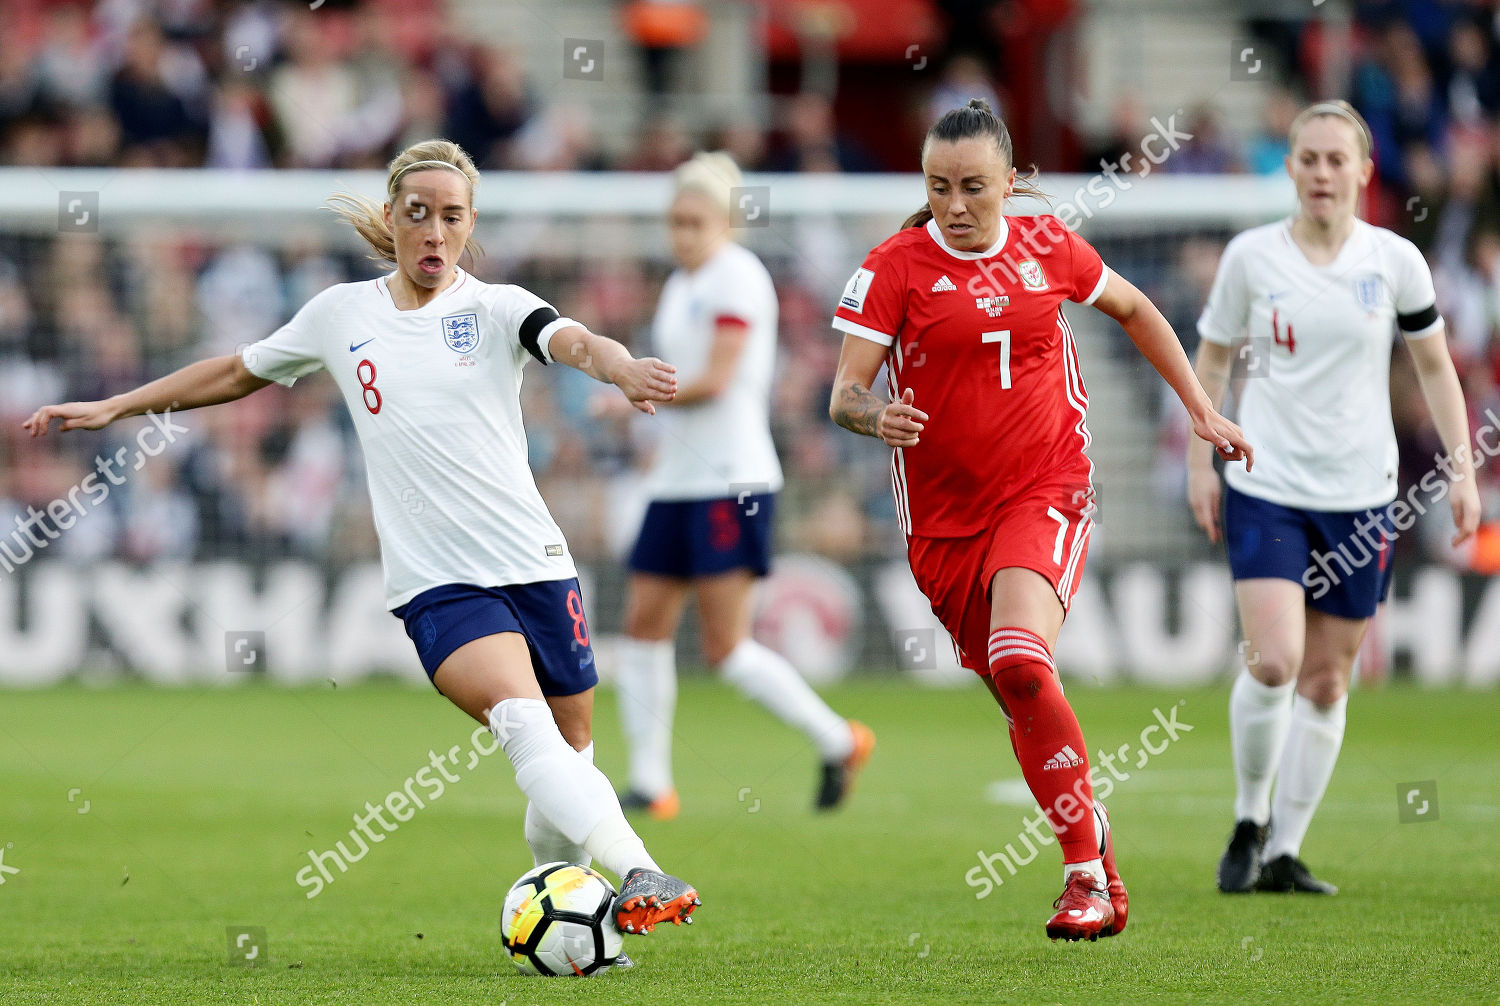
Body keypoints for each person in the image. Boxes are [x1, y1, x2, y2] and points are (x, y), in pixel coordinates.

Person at [23, 139, 700, 939]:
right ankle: (638, 871)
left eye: (451, 216)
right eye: (419, 214)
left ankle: (571, 923)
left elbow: (577, 341)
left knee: (571, 751)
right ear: (392, 218)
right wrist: (117, 407)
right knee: (523, 723)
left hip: (537, 564)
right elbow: (237, 371)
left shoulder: (498, 307)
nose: (434, 232)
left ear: (470, 223)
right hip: (437, 583)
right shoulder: (342, 315)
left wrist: (618, 369)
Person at [828, 99, 1253, 941]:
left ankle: (1081, 880)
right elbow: (842, 393)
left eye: (974, 187)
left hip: (1045, 486)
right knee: (1019, 698)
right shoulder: (892, 267)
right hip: (942, 527)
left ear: (1012, 182)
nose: (955, 205)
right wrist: (877, 418)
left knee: (1023, 662)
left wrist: (1200, 407)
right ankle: (1099, 860)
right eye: (939, 187)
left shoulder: (1046, 244)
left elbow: (1132, 309)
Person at [1191, 101, 1478, 895]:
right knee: (1276, 661)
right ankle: (1249, 821)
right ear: (1289, 167)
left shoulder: (1396, 263)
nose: (1321, 173)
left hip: (1360, 496)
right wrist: (1197, 462)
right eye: (1308, 158)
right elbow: (1209, 366)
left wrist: (1461, 469)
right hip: (1266, 483)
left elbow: (1434, 369)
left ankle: (1285, 850)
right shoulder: (1251, 257)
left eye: (1335, 159)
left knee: (1326, 681)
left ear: (1363, 170)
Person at [614, 152, 874, 821]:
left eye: (696, 220)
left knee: (726, 647)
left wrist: (631, 395)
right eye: (675, 221)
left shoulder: (737, 277)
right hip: (677, 480)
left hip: (732, 481)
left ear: (728, 220)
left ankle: (838, 739)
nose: (683, 234)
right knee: (641, 625)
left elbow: (717, 380)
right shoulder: (682, 283)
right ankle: (650, 782)